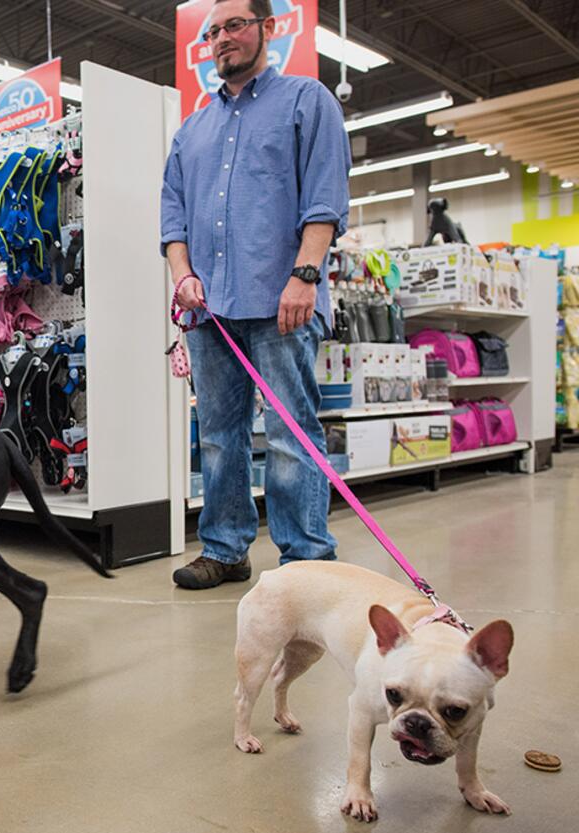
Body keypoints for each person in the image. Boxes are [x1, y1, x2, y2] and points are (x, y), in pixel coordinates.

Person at [160, 0, 351, 590]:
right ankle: (225, 549)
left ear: (267, 29)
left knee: (293, 432)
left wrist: (305, 276)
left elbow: (325, 198)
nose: (222, 39)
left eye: (234, 25)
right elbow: (172, 214)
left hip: (280, 302)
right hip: (209, 309)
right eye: (212, 32)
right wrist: (182, 274)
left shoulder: (305, 100)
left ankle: (307, 562)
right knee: (219, 436)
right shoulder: (193, 128)